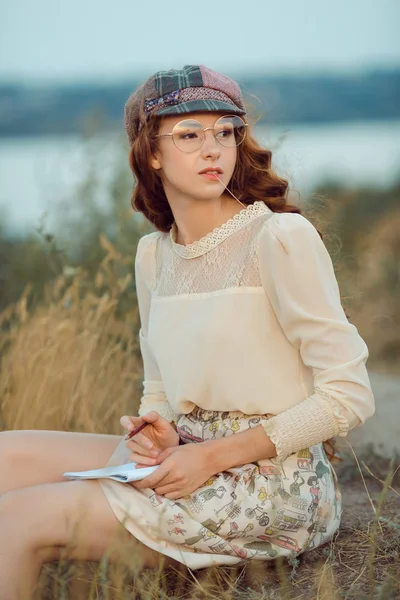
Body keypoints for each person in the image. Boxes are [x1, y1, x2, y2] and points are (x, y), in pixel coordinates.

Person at [0, 64, 375, 597]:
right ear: (151, 153)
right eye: (189, 135)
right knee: (5, 455)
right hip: (185, 457)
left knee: (14, 519)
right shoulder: (154, 256)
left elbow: (348, 397)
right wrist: (158, 430)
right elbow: (158, 388)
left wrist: (209, 457)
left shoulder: (279, 238)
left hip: (271, 481)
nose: (213, 149)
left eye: (225, 131)